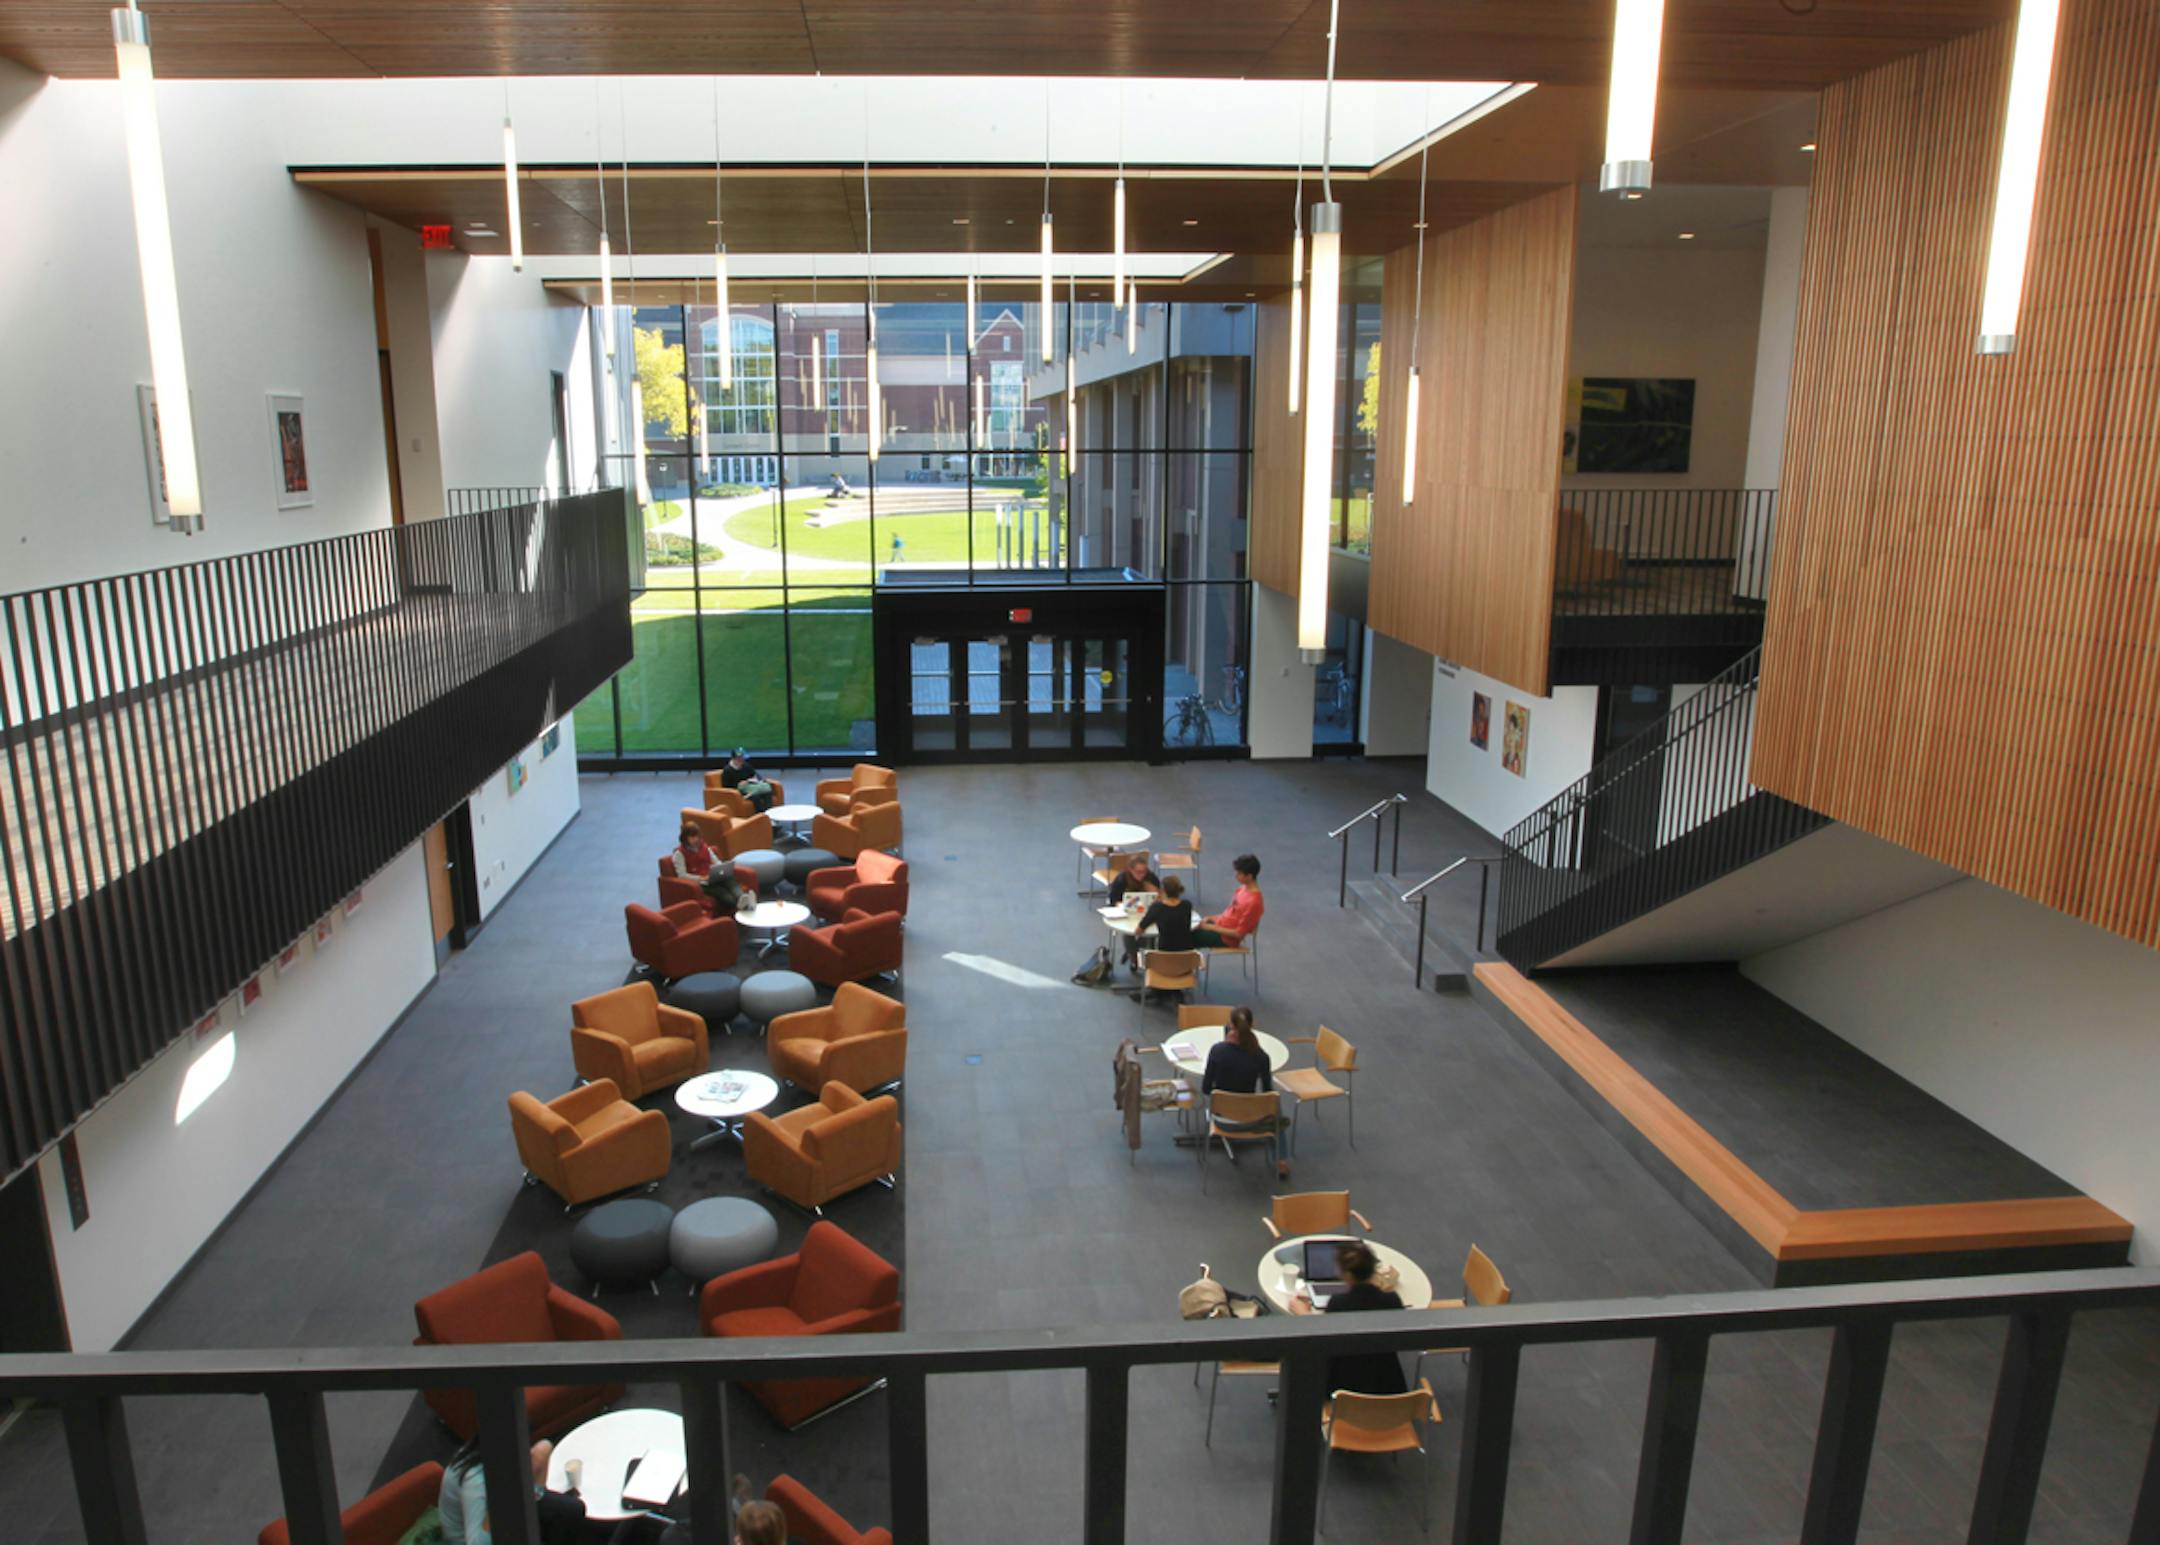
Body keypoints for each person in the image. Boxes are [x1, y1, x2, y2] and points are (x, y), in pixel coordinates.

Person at [1288, 1239, 1410, 1397]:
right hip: (1388, 1387)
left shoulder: (1338, 1304)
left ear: (1347, 1275)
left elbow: (1323, 1338)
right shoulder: (1392, 1300)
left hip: (1343, 1387)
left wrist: (1302, 1313)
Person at [438, 1438, 585, 1545]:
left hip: (503, 1499)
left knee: (574, 1509)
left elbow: (536, 1494)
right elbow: (477, 1542)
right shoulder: (475, 1482)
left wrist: (532, 1486)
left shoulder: (499, 1454)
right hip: (479, 1529)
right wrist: (501, 1493)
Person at [1191, 854, 1264, 949]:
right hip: (1219, 926)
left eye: (1239, 873)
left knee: (1186, 937)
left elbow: (1239, 934)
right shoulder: (1242, 888)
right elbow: (1230, 914)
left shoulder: (1254, 903)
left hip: (1226, 939)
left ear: (1249, 876)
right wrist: (1212, 918)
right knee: (1184, 929)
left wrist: (1210, 927)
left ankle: (1192, 962)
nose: (1236, 876)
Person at [1199, 1007, 1272, 1098]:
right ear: (1252, 1024)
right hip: (1249, 1109)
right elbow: (1267, 1091)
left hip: (1220, 1109)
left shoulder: (1217, 1051)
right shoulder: (1262, 1057)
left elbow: (1206, 1088)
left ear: (1231, 1025)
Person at [1126, 873, 1194, 968]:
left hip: (1164, 962)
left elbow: (1138, 930)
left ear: (1163, 891)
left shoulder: (1157, 908)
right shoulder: (1187, 905)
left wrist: (1153, 907)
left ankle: (1130, 955)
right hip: (1186, 962)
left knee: (1138, 939)